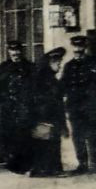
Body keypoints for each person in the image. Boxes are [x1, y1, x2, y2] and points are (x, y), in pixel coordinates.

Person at [60, 35, 96, 175]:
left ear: (84, 48)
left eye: (80, 50)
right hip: (74, 107)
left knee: (93, 135)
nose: (78, 53)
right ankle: (82, 164)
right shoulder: (69, 66)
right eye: (75, 50)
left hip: (90, 105)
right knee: (78, 136)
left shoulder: (93, 63)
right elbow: (63, 86)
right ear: (72, 49)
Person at [0, 41, 37, 174]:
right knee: (9, 134)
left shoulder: (29, 67)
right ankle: (13, 163)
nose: (15, 53)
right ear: (8, 52)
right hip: (8, 107)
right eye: (12, 51)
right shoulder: (4, 66)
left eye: (17, 50)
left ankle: (26, 164)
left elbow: (34, 87)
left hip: (24, 106)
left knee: (24, 135)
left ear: (21, 51)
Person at [28, 47, 69, 177]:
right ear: (50, 63)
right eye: (58, 63)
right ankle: (48, 169)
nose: (60, 66)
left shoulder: (52, 79)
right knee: (46, 143)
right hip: (45, 116)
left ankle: (48, 169)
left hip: (51, 116)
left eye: (60, 62)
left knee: (50, 142)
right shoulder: (42, 80)